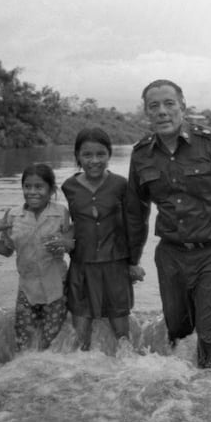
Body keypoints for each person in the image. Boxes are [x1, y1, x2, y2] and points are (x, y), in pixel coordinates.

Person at [126, 79, 211, 369]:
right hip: (171, 256)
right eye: (154, 106)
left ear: (182, 107)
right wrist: (130, 259)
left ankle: (208, 389)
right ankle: (183, 395)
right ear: (146, 113)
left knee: (209, 330)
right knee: (177, 328)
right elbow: (135, 211)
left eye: (169, 104)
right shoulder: (141, 154)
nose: (162, 111)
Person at [0, 164, 73, 352]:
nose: (32, 192)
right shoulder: (13, 215)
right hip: (27, 289)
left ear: (51, 190)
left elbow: (71, 244)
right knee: (24, 343)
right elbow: (6, 250)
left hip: (56, 287)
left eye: (39, 187)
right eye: (27, 186)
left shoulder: (61, 213)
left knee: (48, 342)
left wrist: (63, 242)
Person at [62, 128, 135, 353]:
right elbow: (68, 223)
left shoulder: (121, 185)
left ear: (109, 155)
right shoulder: (69, 187)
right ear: (77, 156)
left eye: (101, 154)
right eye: (87, 155)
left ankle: (127, 375)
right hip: (81, 266)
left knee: (122, 333)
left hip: (115, 265)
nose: (94, 161)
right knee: (80, 336)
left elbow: (133, 226)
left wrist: (134, 263)